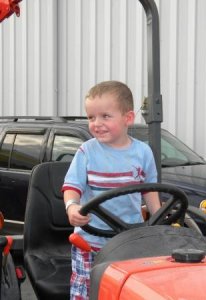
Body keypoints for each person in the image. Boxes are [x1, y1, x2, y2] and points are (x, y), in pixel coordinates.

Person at [62, 80, 161, 300]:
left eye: (105, 116)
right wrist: (72, 206)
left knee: (127, 290)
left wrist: (160, 221)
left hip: (129, 241)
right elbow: (72, 187)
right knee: (85, 290)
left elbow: (151, 192)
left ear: (128, 118)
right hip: (91, 240)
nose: (97, 123)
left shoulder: (143, 153)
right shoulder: (87, 152)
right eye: (91, 117)